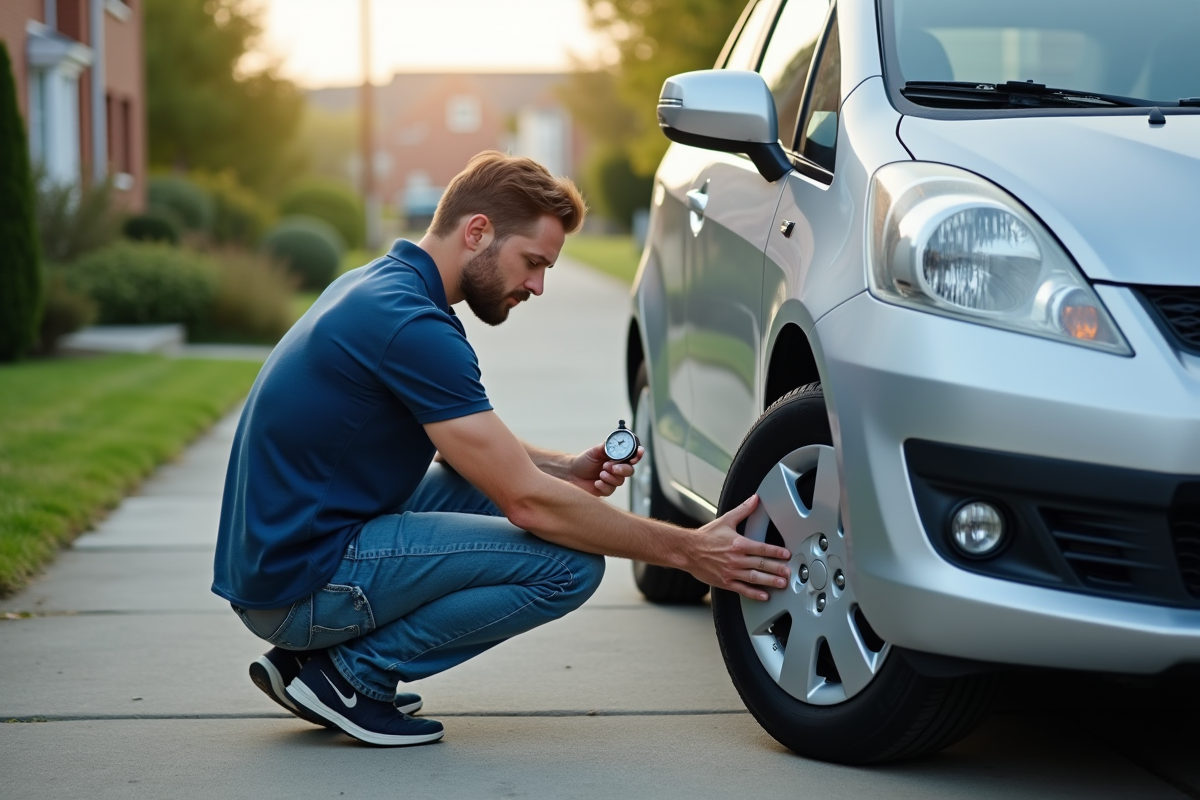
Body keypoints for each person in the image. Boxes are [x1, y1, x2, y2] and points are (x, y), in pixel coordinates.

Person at [212, 151, 793, 747]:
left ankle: (306, 666)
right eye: (533, 262)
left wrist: (564, 467)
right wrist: (689, 550)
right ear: (478, 231)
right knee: (567, 567)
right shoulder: (412, 327)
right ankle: (349, 676)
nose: (538, 286)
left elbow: (469, 448)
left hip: (280, 562)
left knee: (520, 500)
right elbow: (526, 504)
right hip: (297, 586)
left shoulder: (381, 288)